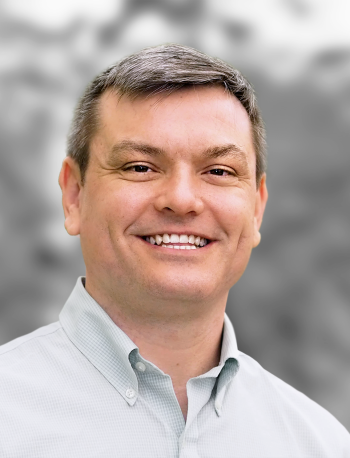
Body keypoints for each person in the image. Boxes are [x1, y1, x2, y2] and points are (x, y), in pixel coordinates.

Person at [0, 44, 349, 457]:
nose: (182, 200)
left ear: (256, 207)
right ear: (74, 195)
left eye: (219, 171)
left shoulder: (320, 443)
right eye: (140, 167)